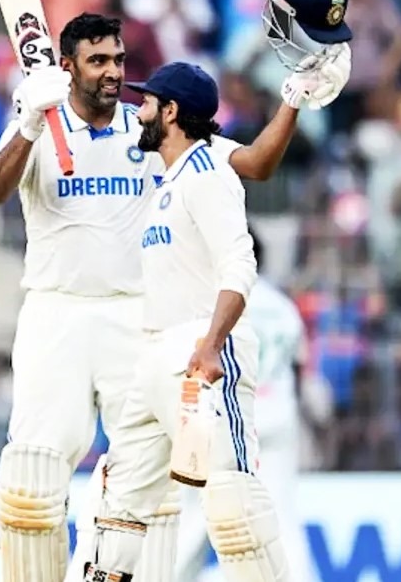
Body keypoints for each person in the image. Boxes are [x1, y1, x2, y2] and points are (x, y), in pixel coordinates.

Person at [0, 0, 352, 582]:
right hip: (57, 310)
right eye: (98, 61)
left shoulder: (155, 131)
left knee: (149, 496)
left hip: (140, 318)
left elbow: (254, 164)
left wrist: (294, 98)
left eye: (119, 61)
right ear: (67, 65)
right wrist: (24, 124)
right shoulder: (40, 123)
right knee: (32, 484)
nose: (112, 73)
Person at [76, 62, 284, 581]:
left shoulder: (209, 173)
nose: (138, 109)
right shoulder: (170, 176)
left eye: (147, 103)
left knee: (233, 503)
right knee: (119, 503)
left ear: (170, 112)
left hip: (201, 355)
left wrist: (212, 344)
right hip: (154, 362)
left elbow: (240, 265)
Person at [172, 227, 313, 581]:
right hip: (278, 414)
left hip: (227, 414)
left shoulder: (218, 304)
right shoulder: (284, 307)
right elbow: (297, 367)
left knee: (198, 515)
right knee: (281, 514)